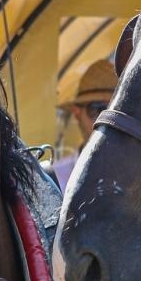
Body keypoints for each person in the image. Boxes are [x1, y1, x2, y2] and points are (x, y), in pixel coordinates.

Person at [51, 60, 118, 189]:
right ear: (77, 112)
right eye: (97, 109)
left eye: (115, 111)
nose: (105, 120)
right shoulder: (56, 177)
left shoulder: (140, 175)